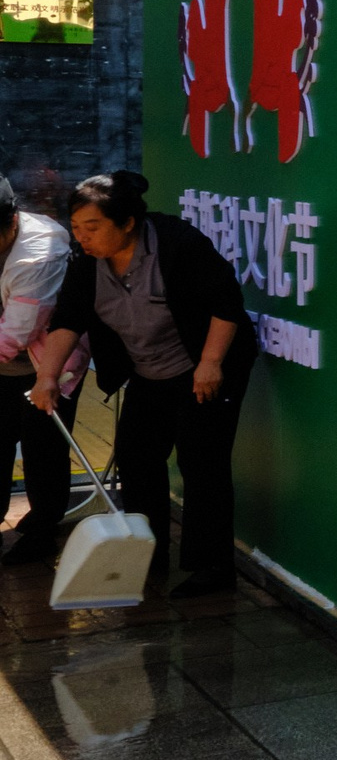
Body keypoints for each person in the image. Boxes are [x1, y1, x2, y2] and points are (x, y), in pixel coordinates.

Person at [33, 172, 252, 599]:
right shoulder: (87, 263)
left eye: (92, 228)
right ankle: (146, 552)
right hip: (148, 370)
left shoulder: (177, 246)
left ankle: (212, 568)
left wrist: (210, 363)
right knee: (136, 458)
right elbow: (69, 320)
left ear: (127, 221)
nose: (83, 239)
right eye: (76, 229)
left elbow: (227, 302)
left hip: (204, 365)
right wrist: (47, 376)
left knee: (201, 463)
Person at [0, 181, 76, 564]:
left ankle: (44, 531)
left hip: (45, 362)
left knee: (43, 449)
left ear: (12, 222)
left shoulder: (39, 254)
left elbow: (12, 338)